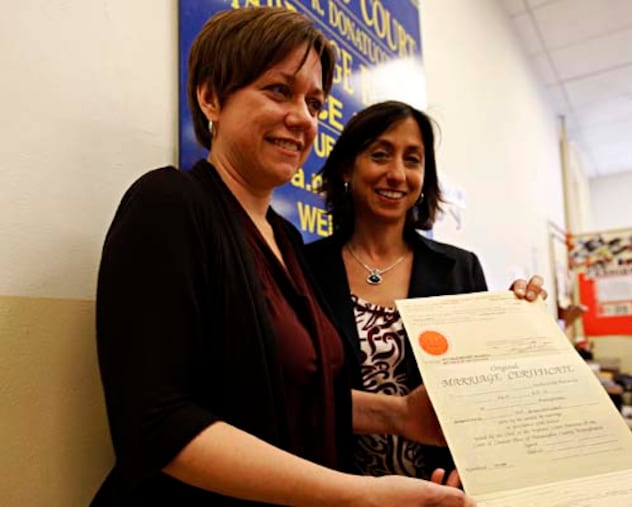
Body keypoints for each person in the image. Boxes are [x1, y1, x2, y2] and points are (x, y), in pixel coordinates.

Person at [93, 8, 475, 506]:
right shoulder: (169, 204)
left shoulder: (286, 240)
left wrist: (398, 415)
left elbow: (295, 394)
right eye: (279, 90)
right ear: (211, 97)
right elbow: (158, 423)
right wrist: (360, 495)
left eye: (314, 103)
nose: (302, 118)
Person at [305, 100, 546, 480]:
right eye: (380, 155)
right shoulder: (305, 269)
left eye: (413, 159)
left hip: (439, 489)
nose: (397, 174)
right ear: (348, 166)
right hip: (335, 489)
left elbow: (486, 388)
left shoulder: (459, 268)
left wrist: (519, 323)